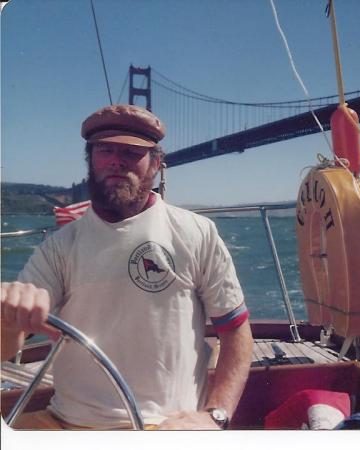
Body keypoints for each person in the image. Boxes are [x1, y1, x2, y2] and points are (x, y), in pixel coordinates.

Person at [1, 104, 254, 430]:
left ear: (157, 164)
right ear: (90, 160)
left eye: (132, 152)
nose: (116, 161)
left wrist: (215, 415)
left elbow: (235, 330)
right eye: (105, 150)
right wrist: (9, 317)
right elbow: (7, 348)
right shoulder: (60, 247)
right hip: (63, 422)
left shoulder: (196, 233)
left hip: (161, 426)